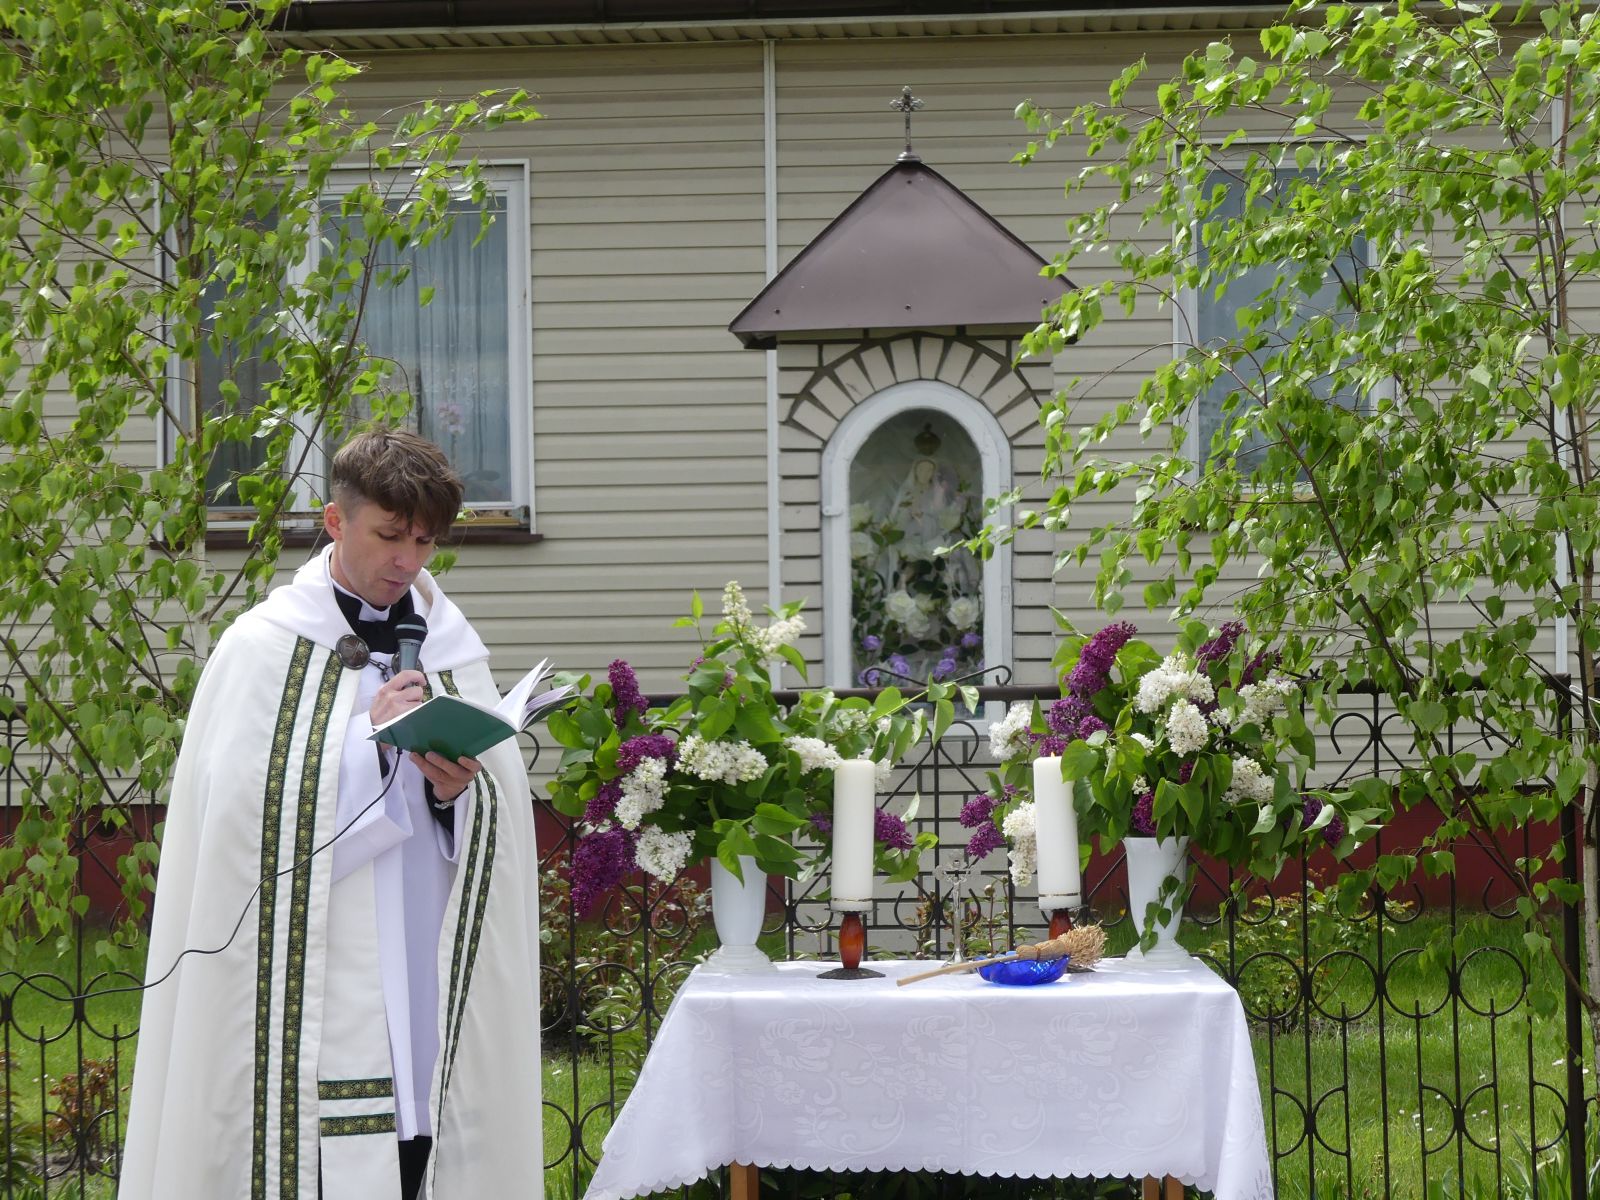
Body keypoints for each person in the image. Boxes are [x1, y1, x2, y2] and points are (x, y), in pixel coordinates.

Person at [121, 429, 543, 1200]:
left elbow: (499, 816)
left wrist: (457, 794)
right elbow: (237, 821)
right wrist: (364, 748)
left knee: (426, 1137)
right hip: (315, 983)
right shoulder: (262, 647)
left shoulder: (451, 647)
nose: (408, 562)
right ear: (335, 521)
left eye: (425, 541)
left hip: (424, 959)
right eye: (390, 535)